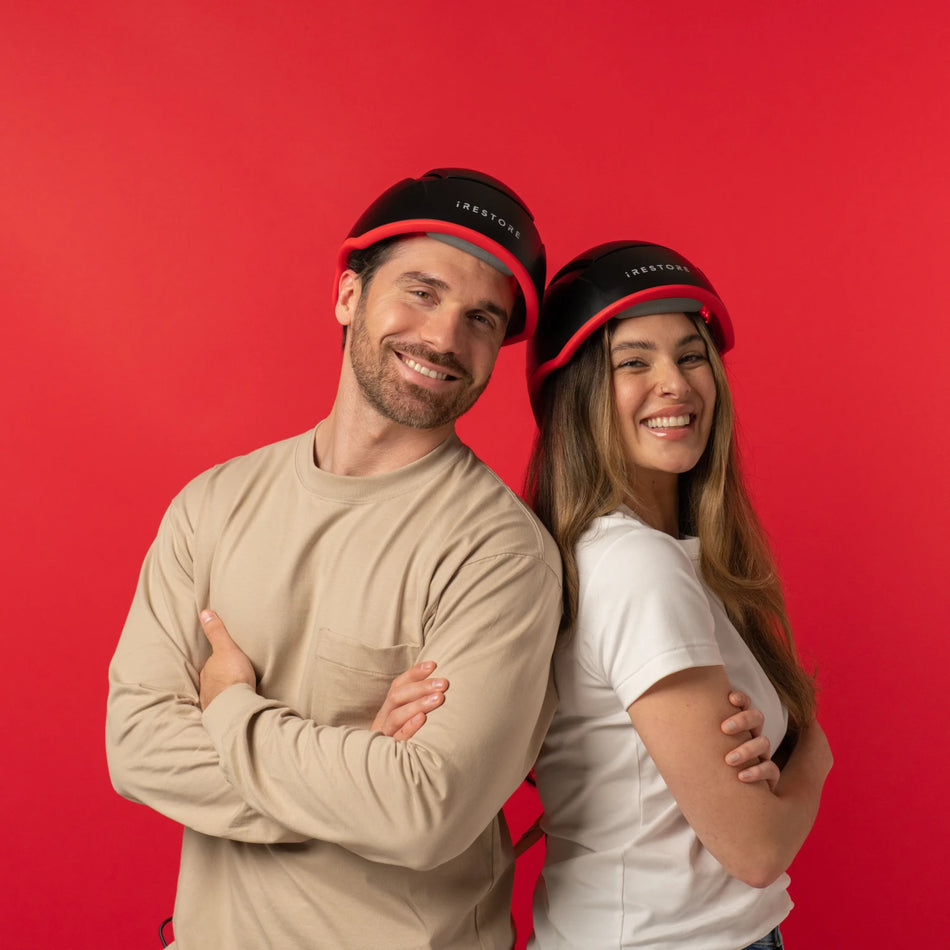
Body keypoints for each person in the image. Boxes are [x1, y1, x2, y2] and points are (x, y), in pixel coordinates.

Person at [106, 168, 563, 950]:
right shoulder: (212, 505)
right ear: (349, 296)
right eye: (421, 292)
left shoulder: (500, 555)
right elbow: (137, 745)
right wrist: (359, 773)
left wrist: (229, 708)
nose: (446, 338)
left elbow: (425, 814)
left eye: (481, 317)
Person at [524, 241, 833, 949]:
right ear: (578, 395)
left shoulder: (656, 556)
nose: (675, 384)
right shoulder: (636, 565)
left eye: (690, 355)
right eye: (633, 362)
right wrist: (813, 751)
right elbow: (755, 848)